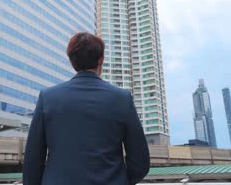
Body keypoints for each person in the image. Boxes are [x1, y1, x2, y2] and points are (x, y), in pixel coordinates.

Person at [23, 32, 150, 185]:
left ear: (71, 61)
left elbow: (33, 161)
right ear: (101, 59)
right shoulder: (122, 99)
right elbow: (140, 162)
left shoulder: (48, 98)